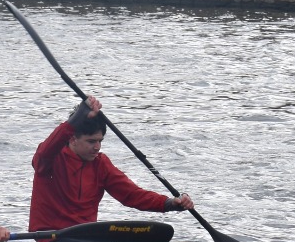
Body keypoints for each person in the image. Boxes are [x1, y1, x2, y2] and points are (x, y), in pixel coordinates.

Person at [28, 96, 195, 233]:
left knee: (162, 233)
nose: (97, 147)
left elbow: (132, 195)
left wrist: (170, 204)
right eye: (91, 141)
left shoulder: (101, 164)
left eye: (100, 141)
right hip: (51, 238)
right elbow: (47, 149)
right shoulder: (49, 160)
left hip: (86, 236)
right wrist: (79, 115)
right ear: (72, 139)